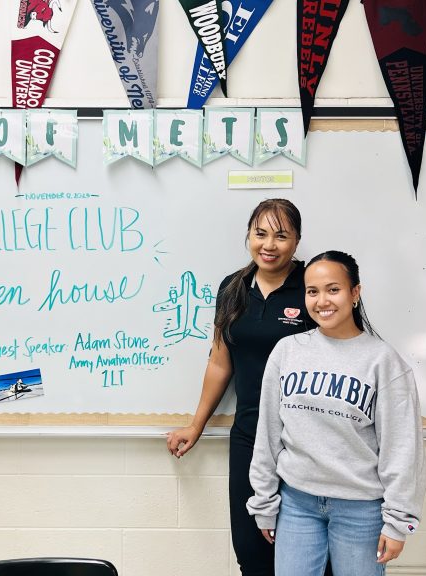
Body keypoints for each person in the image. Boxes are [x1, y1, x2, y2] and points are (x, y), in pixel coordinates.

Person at [247, 251, 426, 576]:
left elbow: (402, 450)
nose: (321, 301)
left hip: (361, 511)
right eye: (312, 291)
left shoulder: (383, 361)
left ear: (355, 293)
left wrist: (399, 522)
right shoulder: (287, 352)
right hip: (296, 503)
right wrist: (264, 502)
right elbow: (269, 435)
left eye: (333, 289)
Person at [166, 198, 314, 576]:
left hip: (308, 438)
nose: (269, 244)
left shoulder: (313, 286)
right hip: (249, 435)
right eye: (260, 233)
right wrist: (196, 424)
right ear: (248, 236)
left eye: (281, 235)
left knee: (306, 551)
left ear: (297, 240)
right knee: (251, 550)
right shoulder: (233, 287)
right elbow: (220, 361)